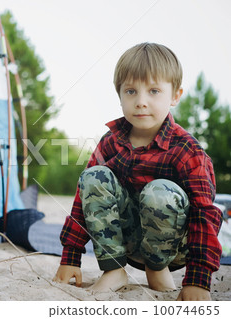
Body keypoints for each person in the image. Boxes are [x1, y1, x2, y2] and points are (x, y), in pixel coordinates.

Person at [53, 42, 222, 301]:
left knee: (160, 191)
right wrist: (70, 257)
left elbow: (205, 213)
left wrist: (199, 279)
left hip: (176, 247)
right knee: (93, 176)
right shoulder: (111, 141)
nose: (141, 102)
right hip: (128, 242)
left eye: (154, 91)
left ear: (175, 96)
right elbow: (81, 200)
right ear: (119, 95)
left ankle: (157, 268)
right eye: (131, 91)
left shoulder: (187, 150)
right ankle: (114, 269)